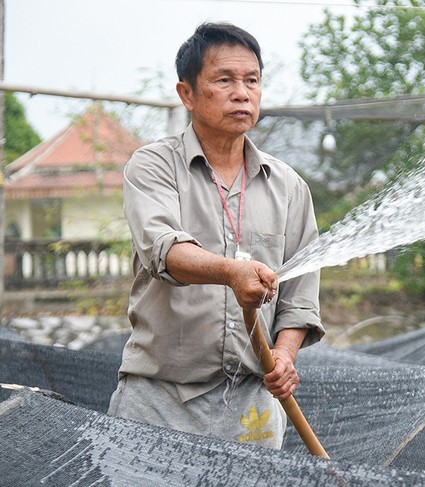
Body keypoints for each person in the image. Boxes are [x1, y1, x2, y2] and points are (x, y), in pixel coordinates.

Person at [107, 22, 324, 449]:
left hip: (252, 404)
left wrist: (283, 356)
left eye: (252, 80)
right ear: (186, 93)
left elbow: (299, 297)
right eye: (224, 80)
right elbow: (164, 251)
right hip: (160, 398)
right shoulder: (153, 166)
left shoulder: (289, 186)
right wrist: (231, 272)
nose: (242, 93)